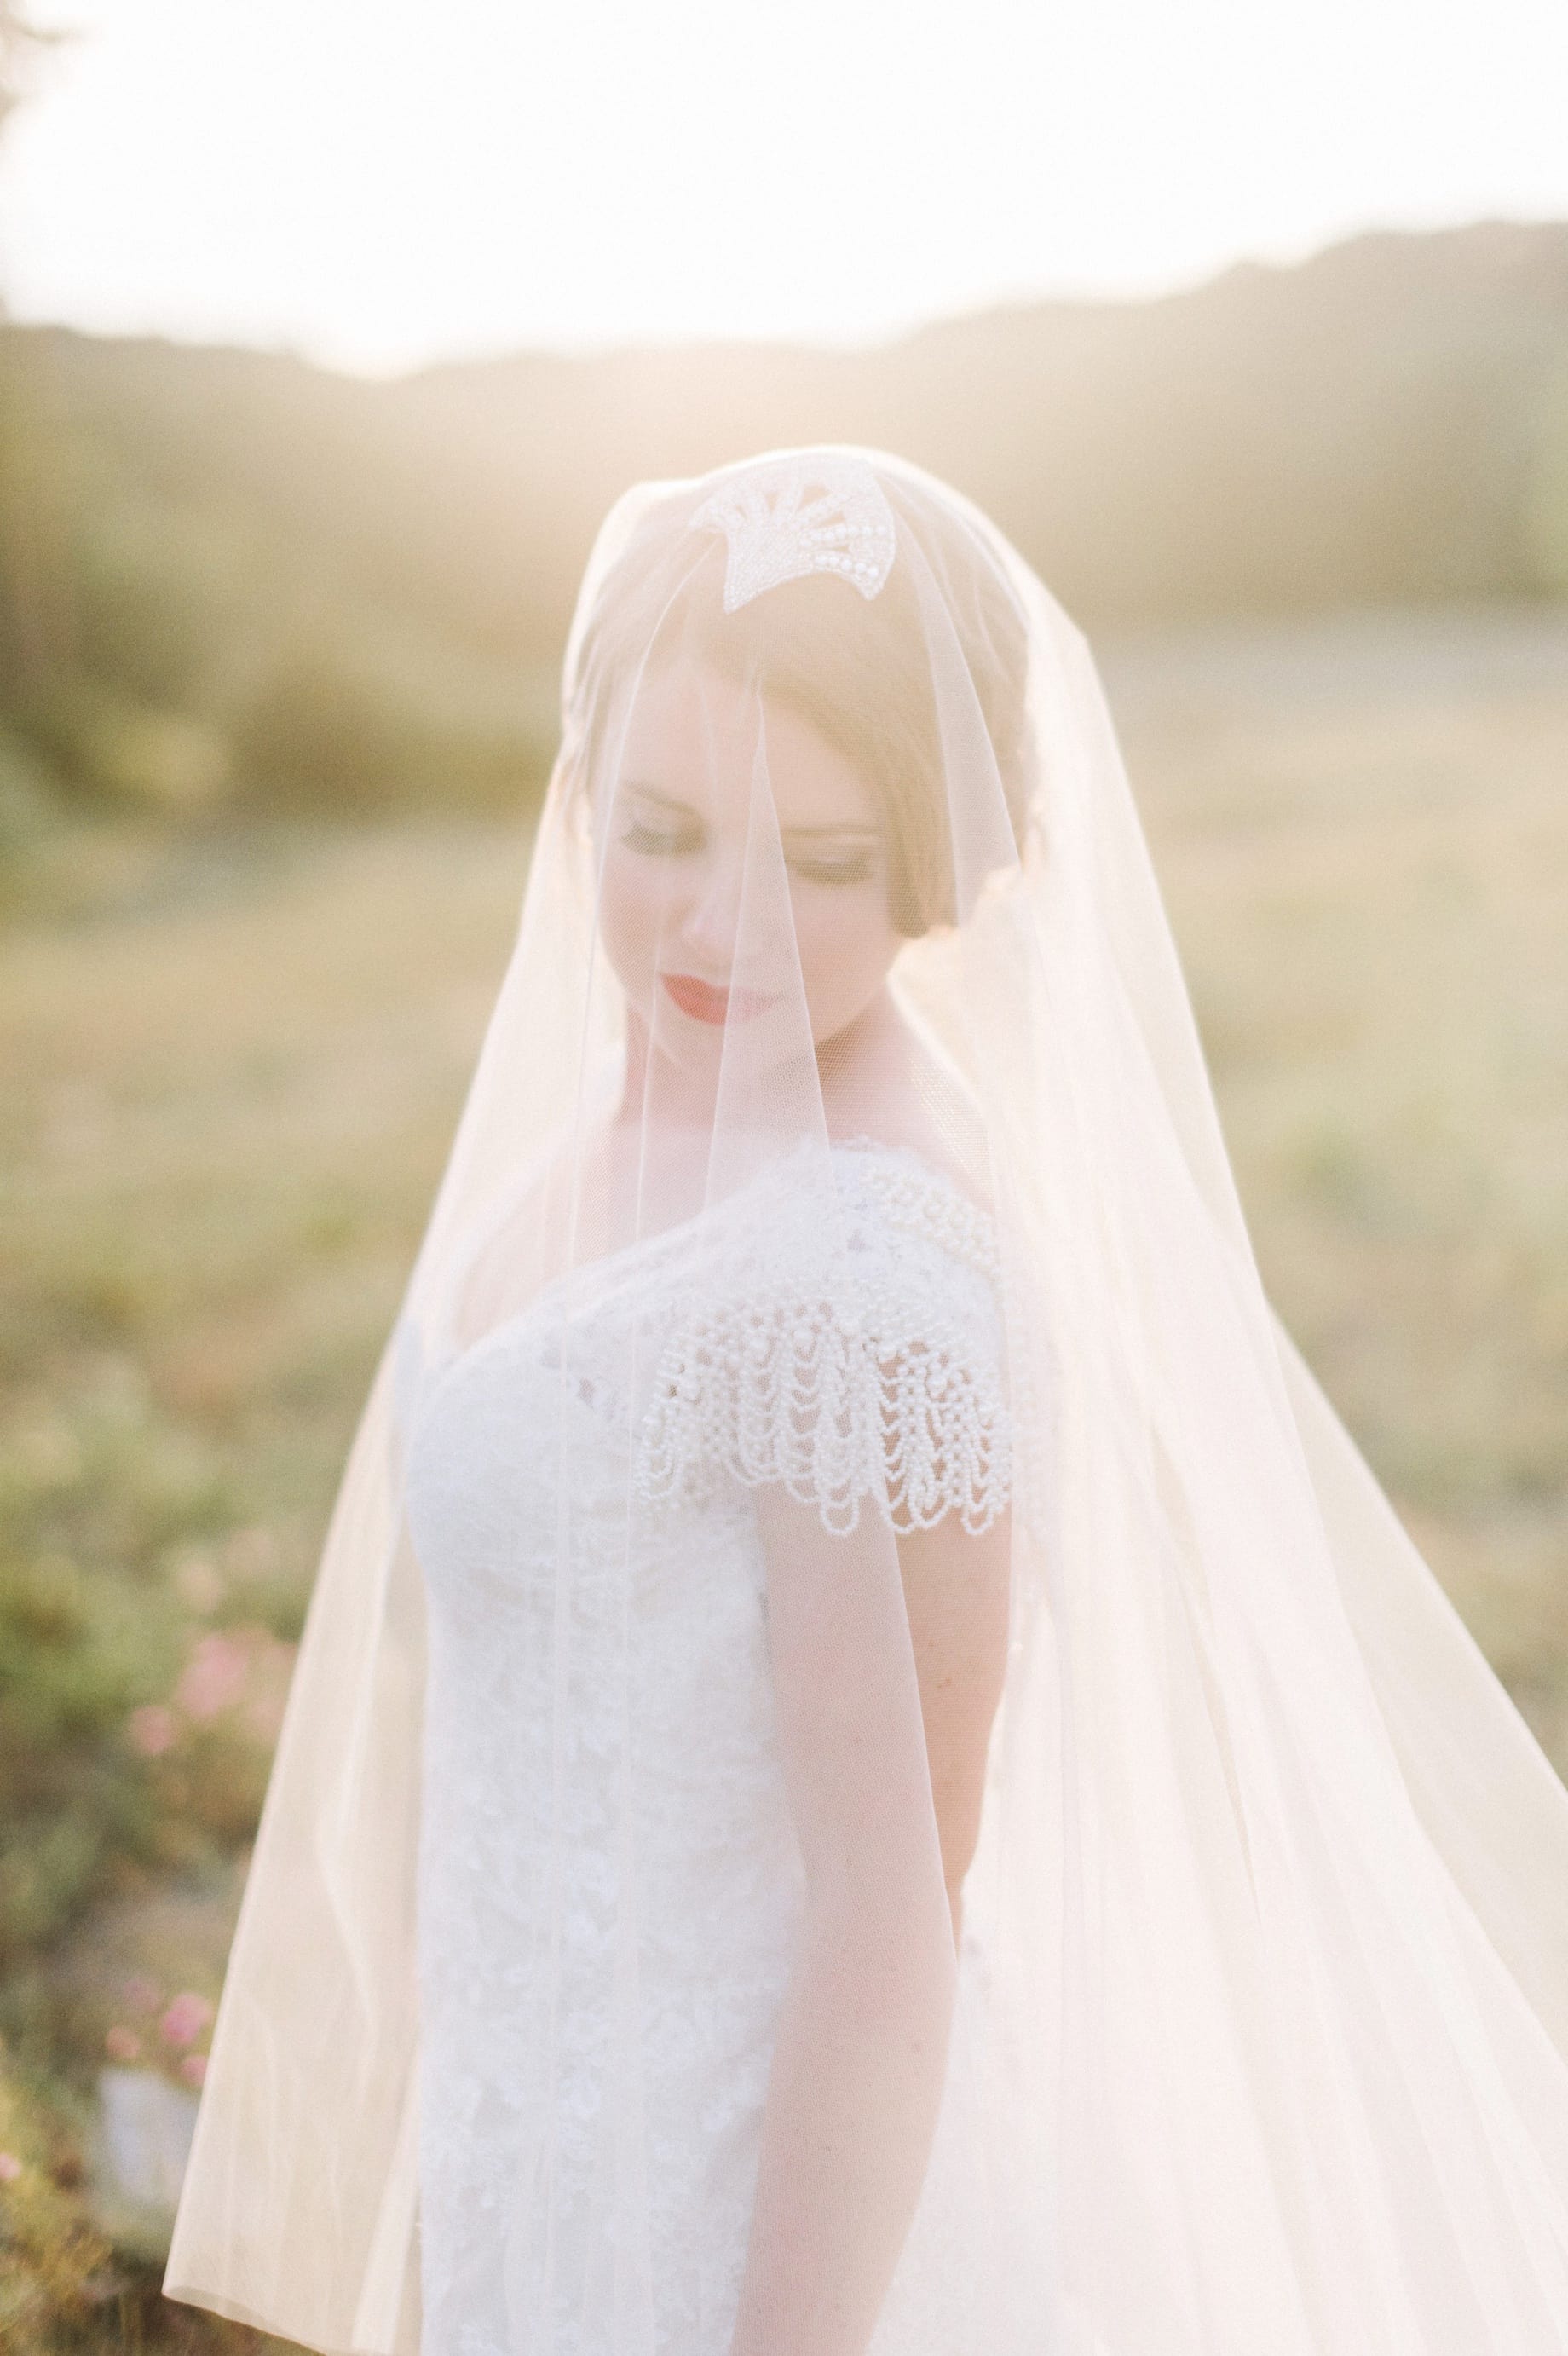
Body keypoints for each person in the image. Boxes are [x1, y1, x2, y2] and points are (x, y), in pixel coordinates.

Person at [165, 448, 1568, 2356]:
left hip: (757, 2218)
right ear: (576, 788)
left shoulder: (867, 1282)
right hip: (539, 2129)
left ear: (944, 861)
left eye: (821, 861)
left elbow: (888, 1926)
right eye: (657, 827)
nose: (718, 929)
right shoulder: (612, 1109)